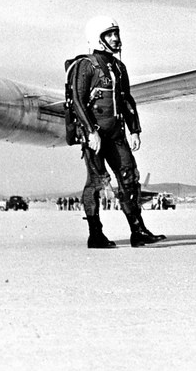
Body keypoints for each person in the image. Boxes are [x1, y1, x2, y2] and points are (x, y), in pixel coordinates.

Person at [69, 15, 166, 249]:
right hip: (96, 137)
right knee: (96, 182)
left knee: (130, 179)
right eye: (109, 34)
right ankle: (96, 235)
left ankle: (138, 230)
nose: (115, 38)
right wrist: (91, 132)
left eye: (116, 33)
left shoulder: (118, 67)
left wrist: (135, 130)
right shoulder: (86, 66)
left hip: (117, 135)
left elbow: (127, 101)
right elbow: (77, 101)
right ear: (98, 38)